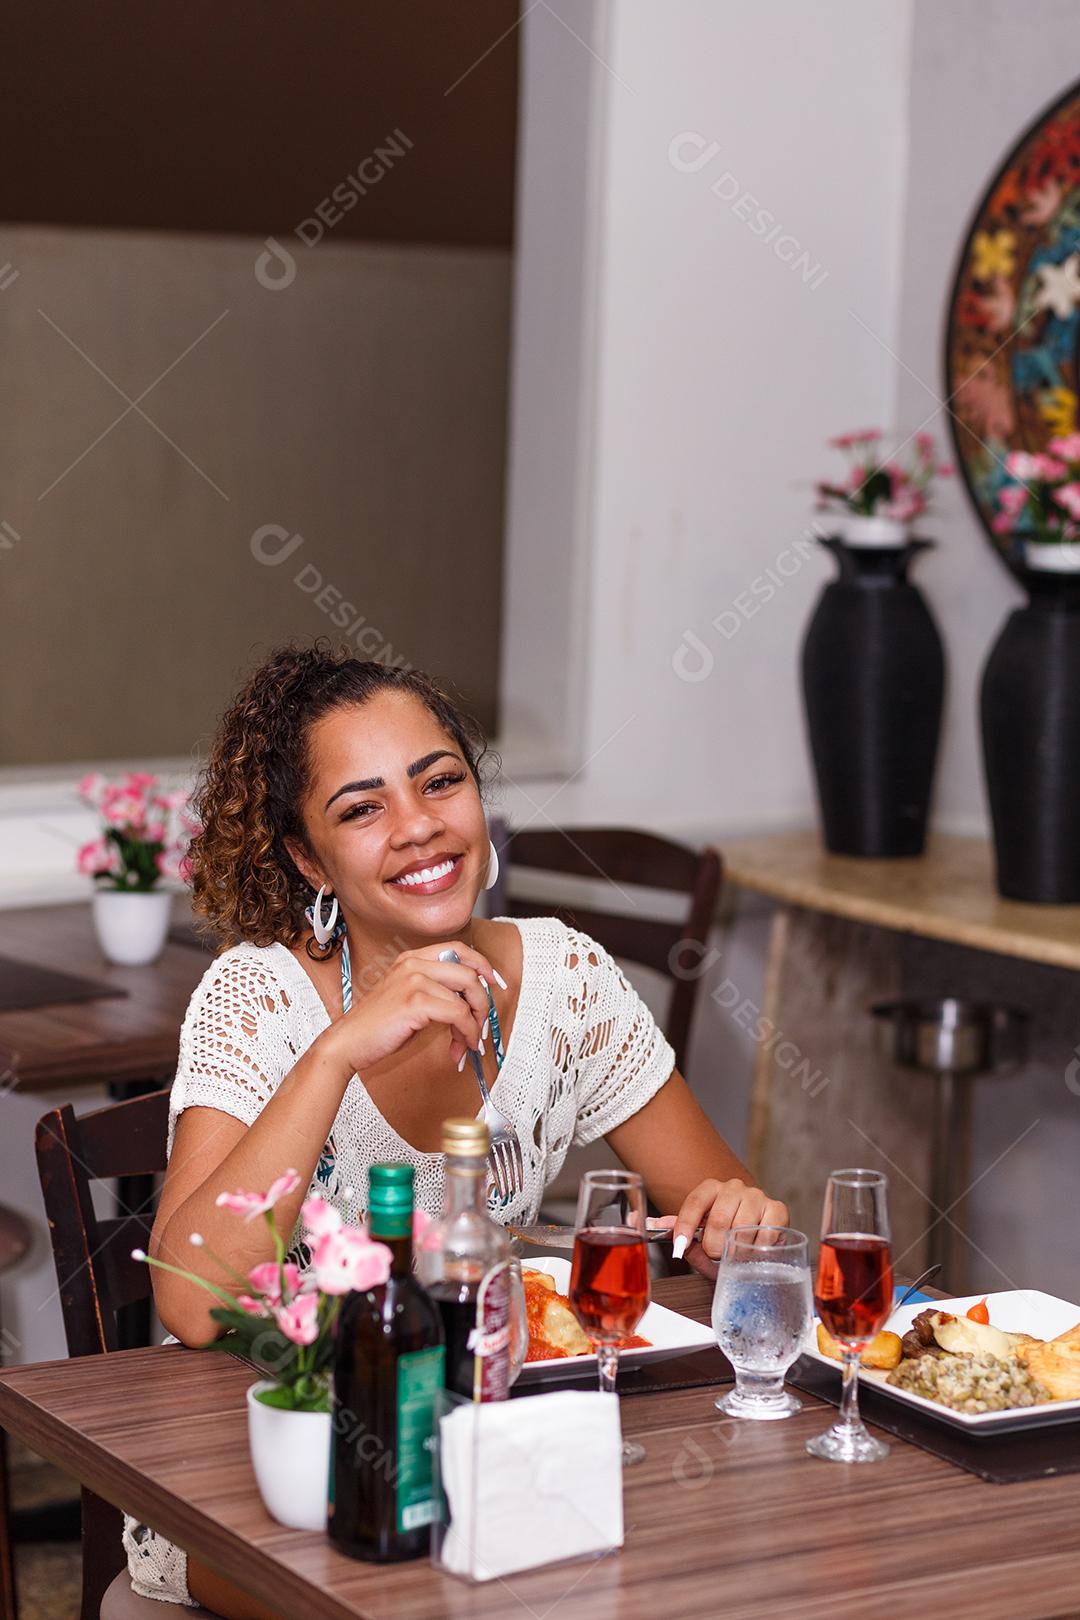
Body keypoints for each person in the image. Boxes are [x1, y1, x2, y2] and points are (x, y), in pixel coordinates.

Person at [126, 644, 786, 1613]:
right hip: (278, 1476)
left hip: (493, 1458)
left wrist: (736, 1228)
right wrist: (335, 1053)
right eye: (361, 808)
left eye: (441, 782)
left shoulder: (568, 984)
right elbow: (190, 1300)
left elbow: (729, 1227)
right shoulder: (258, 999)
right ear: (307, 858)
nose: (419, 826)